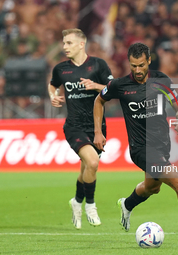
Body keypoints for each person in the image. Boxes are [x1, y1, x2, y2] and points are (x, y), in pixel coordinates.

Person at [93, 43, 178, 243]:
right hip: (140, 149)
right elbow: (99, 101)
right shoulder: (120, 86)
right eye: (133, 66)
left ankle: (127, 205)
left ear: (148, 61)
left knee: (152, 188)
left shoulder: (161, 81)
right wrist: (98, 132)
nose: (137, 70)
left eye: (141, 65)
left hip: (162, 145)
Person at [48, 28, 113, 229]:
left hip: (97, 126)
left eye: (68, 43)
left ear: (81, 44)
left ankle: (76, 201)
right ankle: (90, 205)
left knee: (86, 168)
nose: (64, 46)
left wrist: (95, 86)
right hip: (74, 126)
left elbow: (113, 90)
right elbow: (53, 85)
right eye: (64, 42)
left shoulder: (98, 65)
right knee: (92, 163)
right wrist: (53, 95)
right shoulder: (61, 69)